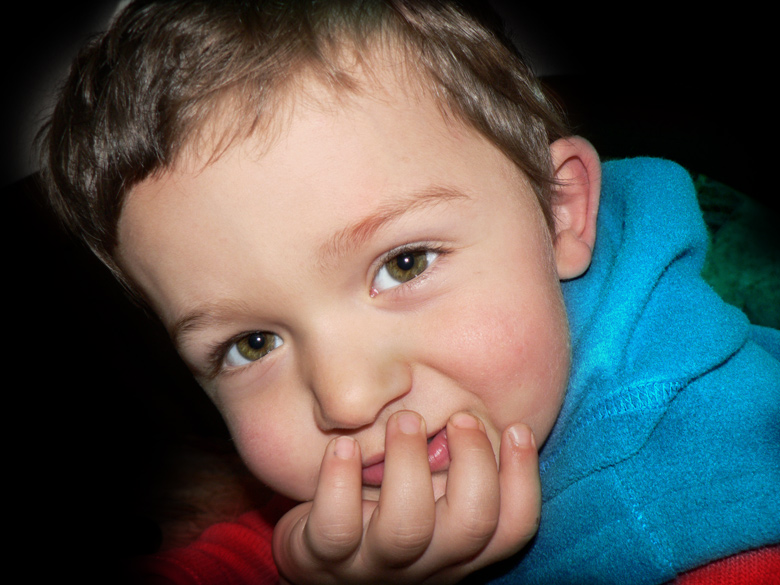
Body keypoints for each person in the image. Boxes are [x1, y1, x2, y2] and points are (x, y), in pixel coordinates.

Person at [38, 1, 779, 583]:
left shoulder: (718, 516)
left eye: (404, 263)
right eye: (253, 343)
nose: (348, 397)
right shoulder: (463, 405)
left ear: (559, 213)